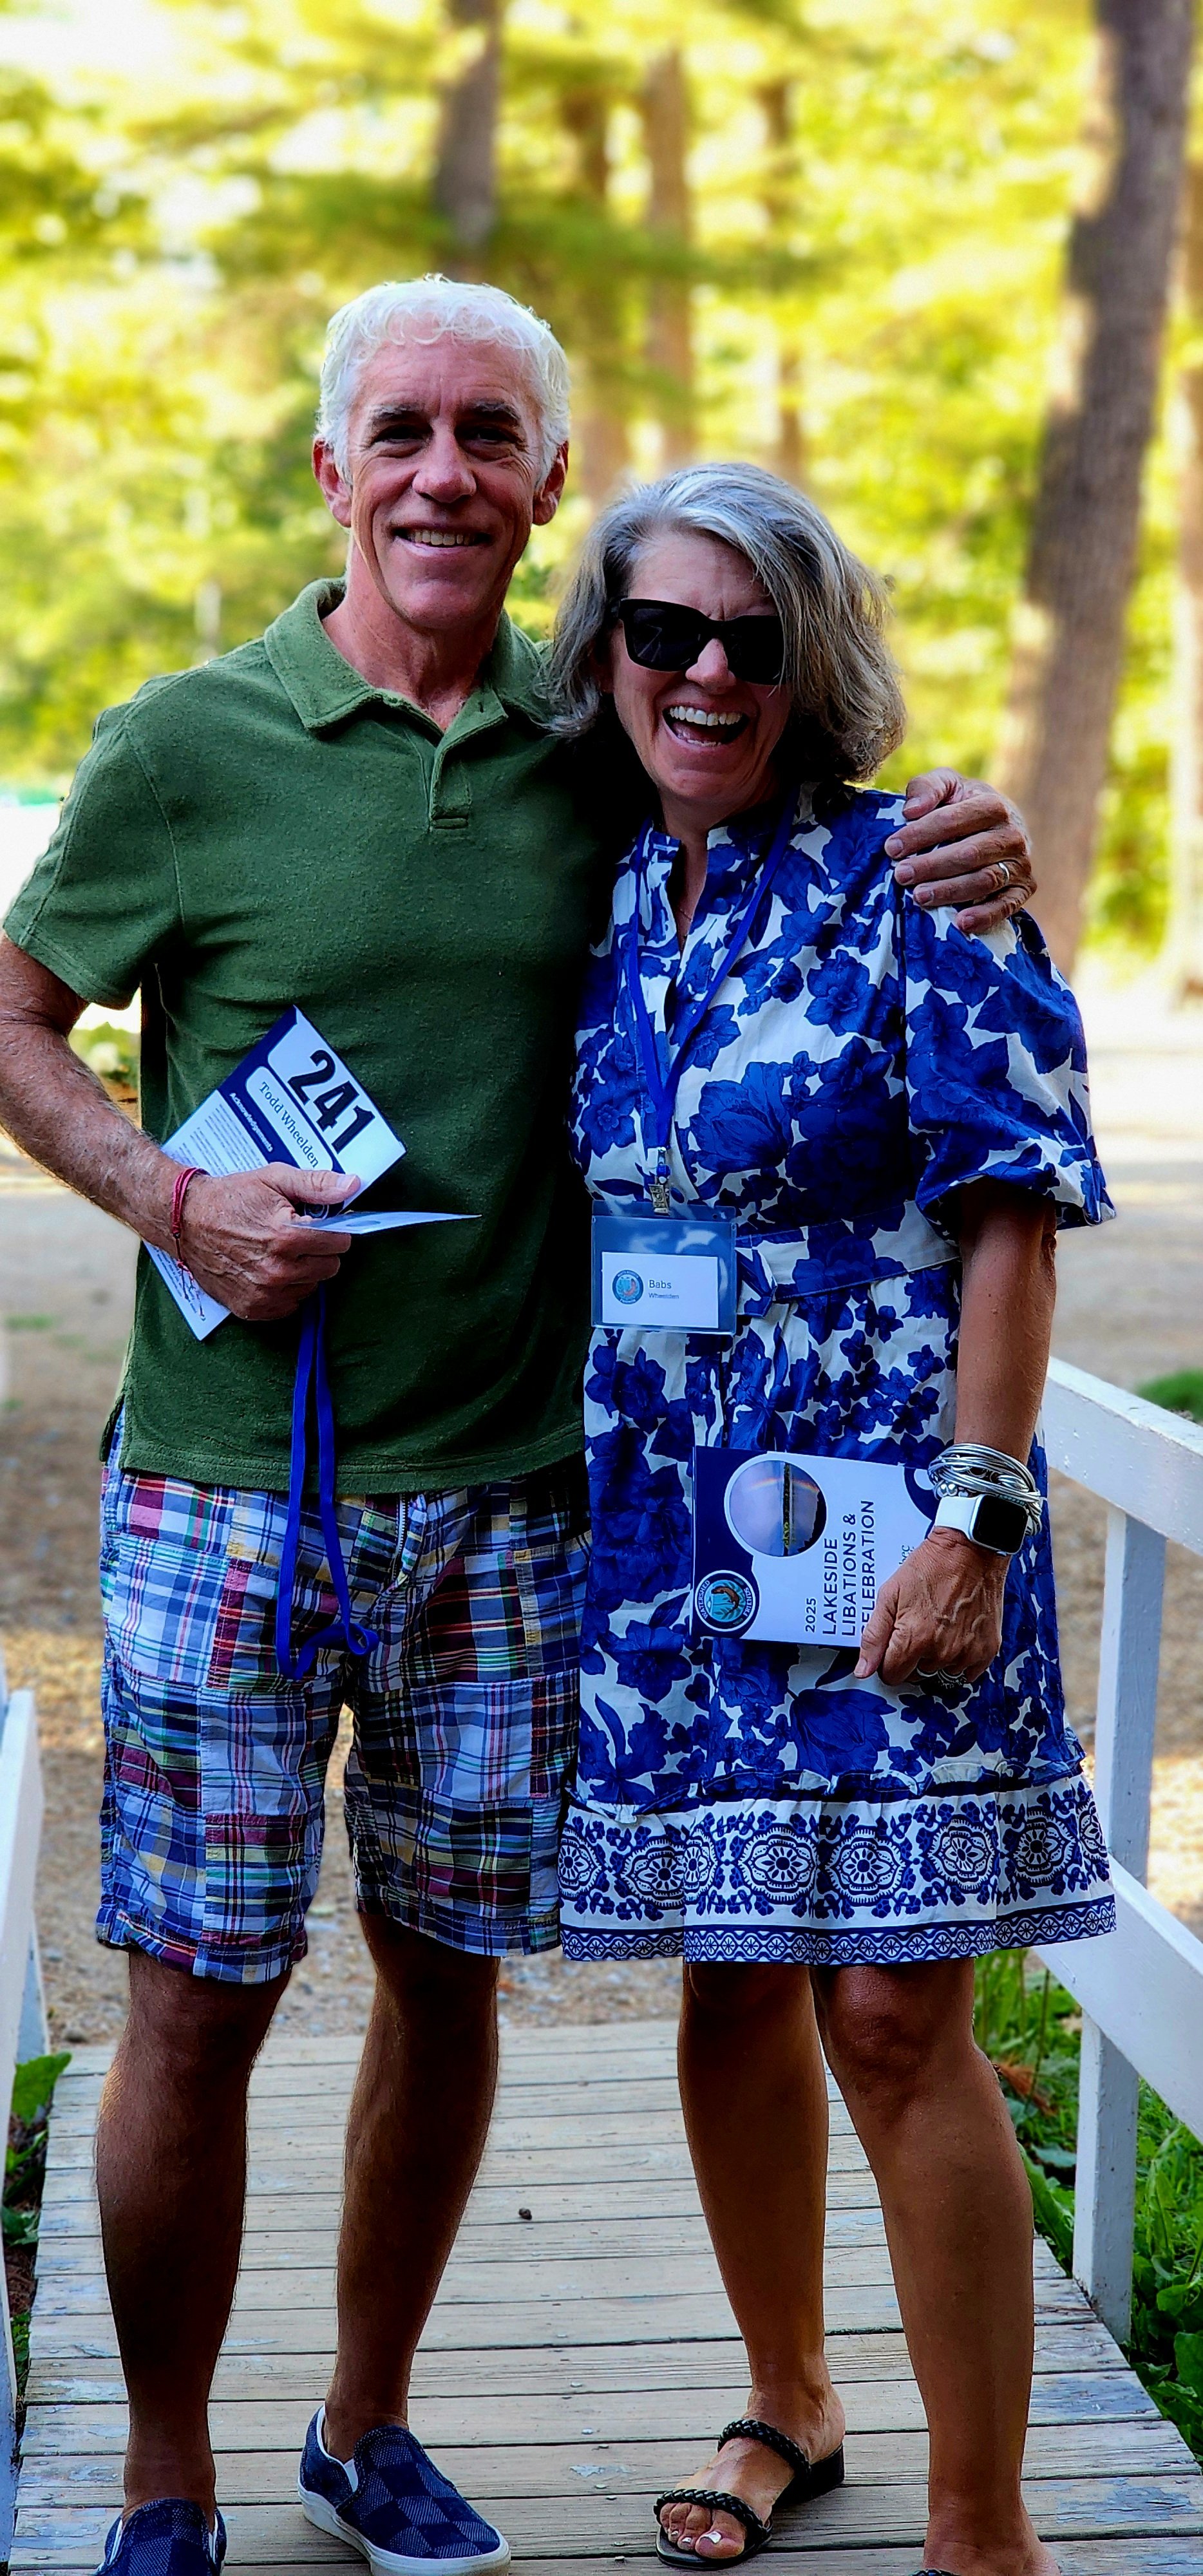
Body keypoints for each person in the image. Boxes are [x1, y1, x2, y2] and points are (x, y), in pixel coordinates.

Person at [0, 278, 1036, 2576]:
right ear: (329, 468)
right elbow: (11, 1006)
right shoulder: (184, 746)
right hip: (225, 1494)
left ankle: (366, 2424)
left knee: (452, 1988)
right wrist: (166, 1187)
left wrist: (964, 827)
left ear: (548, 480)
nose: (444, 470)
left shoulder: (628, 749)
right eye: (400, 429)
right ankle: (165, 2477)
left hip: (528, 1511)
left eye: (492, 432)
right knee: (191, 1997)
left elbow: (795, 765)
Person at [551, 462, 1113, 2576]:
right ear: (602, 651)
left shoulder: (921, 875)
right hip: (664, 1539)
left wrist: (970, 1520)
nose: (704, 673)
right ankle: (789, 2393)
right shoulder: (586, 879)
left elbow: (1012, 1219)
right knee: (726, 1979)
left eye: (752, 640)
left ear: (813, 663)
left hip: (890, 1522)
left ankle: (986, 2527)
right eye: (661, 631)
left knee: (894, 2011)